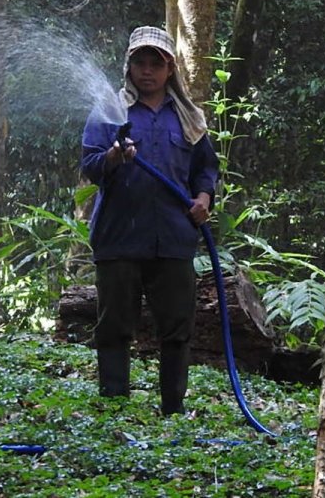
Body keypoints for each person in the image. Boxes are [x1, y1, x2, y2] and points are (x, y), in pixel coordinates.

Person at [81, 26, 217, 415]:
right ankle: (114, 409)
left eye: (155, 64)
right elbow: (90, 166)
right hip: (119, 237)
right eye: (140, 63)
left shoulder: (189, 117)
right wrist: (114, 156)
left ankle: (173, 411)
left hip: (173, 238)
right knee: (114, 327)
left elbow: (205, 169)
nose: (147, 71)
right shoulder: (110, 110)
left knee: (176, 328)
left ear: (169, 68)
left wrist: (204, 198)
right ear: (129, 66)